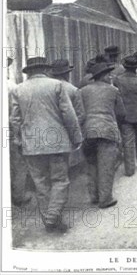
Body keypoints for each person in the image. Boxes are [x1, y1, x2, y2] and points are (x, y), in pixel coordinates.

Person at [11, 57, 82, 233]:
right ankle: (52, 217)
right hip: (57, 142)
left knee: (41, 184)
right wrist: (76, 137)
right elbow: (69, 114)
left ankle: (50, 219)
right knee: (60, 181)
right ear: (46, 69)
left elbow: (14, 120)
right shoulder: (56, 86)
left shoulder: (19, 90)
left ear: (29, 72)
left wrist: (18, 140)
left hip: (31, 144)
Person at [80, 61, 126, 208]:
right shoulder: (113, 90)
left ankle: (94, 195)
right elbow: (121, 113)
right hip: (107, 130)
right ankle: (105, 198)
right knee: (106, 165)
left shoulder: (83, 91)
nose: (111, 76)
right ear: (104, 76)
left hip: (88, 131)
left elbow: (79, 112)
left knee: (92, 164)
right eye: (109, 74)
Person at [7, 57, 32, 206]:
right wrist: (18, 135)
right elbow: (16, 115)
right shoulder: (11, 87)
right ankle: (18, 196)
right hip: (9, 130)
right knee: (18, 164)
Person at [50, 59, 85, 129]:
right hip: (68, 132)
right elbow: (81, 115)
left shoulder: (48, 89)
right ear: (66, 74)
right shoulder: (73, 90)